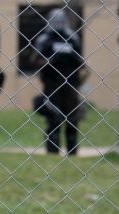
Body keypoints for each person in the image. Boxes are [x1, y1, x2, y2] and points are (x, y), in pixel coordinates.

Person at [31, 9, 86, 156]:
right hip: (51, 84)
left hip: (70, 85)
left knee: (72, 119)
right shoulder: (44, 39)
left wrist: (71, 57)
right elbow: (34, 60)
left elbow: (81, 62)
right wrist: (49, 60)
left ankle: (72, 152)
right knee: (53, 118)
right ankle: (52, 151)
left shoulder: (72, 38)